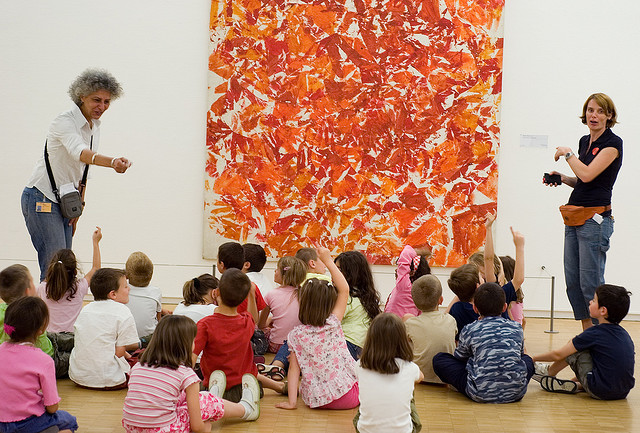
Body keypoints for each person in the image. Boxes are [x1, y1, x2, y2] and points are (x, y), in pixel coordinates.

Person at [21, 68, 131, 282]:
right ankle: (48, 315)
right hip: (41, 197)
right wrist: (112, 162)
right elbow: (81, 153)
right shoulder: (64, 122)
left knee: (66, 267)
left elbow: (83, 173)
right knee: (54, 269)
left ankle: (56, 314)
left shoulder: (93, 127)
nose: (102, 107)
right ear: (82, 96)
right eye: (96, 100)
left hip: (65, 201)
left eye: (107, 102)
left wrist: (79, 207)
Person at [544, 93, 622, 330]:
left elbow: (588, 174)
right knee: (574, 283)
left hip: (595, 221)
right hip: (575, 216)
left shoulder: (612, 143)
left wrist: (568, 155)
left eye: (600, 111)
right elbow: (583, 181)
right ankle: (589, 335)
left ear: (609, 115)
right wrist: (564, 178)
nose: (594, 115)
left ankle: (603, 337)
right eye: (590, 110)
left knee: (591, 284)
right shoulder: (584, 141)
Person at [121, 315, 260, 433]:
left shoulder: (138, 366)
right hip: (164, 429)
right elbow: (198, 427)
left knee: (180, 396)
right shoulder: (185, 373)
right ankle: (246, 409)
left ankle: (215, 398)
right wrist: (206, 427)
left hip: (132, 429)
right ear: (184, 345)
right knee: (205, 400)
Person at [276, 247, 359, 410]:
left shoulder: (296, 335)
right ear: (331, 302)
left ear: (302, 303)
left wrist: (292, 403)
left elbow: (293, 370)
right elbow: (344, 289)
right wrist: (328, 261)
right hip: (349, 397)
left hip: (316, 400)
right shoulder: (333, 323)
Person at [193, 268, 285, 402]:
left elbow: (191, 357)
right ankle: (278, 386)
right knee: (249, 372)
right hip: (247, 391)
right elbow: (254, 318)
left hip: (215, 390)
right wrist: (252, 294)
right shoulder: (246, 322)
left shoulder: (204, 325)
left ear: (216, 293)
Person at [433, 283, 534, 403]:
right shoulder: (517, 328)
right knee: (528, 360)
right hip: (516, 393)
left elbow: (459, 357)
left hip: (479, 392)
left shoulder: (470, 329)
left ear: (475, 308)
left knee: (439, 359)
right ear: (504, 307)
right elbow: (520, 355)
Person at [532, 284, 634, 399]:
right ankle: (577, 385)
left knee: (576, 347)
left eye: (594, 300)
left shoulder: (594, 333)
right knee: (591, 350)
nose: (590, 302)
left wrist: (533, 358)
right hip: (623, 391)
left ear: (603, 310)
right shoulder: (624, 334)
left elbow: (558, 354)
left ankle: (548, 372)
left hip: (599, 391)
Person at [0, 297, 78, 433]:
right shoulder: (44, 360)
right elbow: (52, 407)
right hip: (28, 422)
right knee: (69, 420)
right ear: (41, 330)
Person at [68, 268, 140, 389]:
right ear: (113, 294)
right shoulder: (123, 311)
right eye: (126, 287)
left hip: (78, 377)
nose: (129, 289)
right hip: (111, 380)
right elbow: (120, 352)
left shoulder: (86, 310)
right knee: (142, 359)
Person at [355, 313, 423, 433]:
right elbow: (420, 378)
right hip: (403, 431)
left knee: (364, 402)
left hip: (365, 430)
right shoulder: (410, 367)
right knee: (410, 390)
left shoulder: (360, 365)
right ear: (402, 340)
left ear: (371, 339)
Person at [256, 256, 306, 381]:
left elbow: (261, 324)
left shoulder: (271, 294)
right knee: (291, 348)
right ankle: (289, 367)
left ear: (283, 273)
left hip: (275, 345)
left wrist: (270, 322)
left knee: (262, 332)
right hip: (299, 345)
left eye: (276, 269)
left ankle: (277, 367)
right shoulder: (305, 294)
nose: (274, 272)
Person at [404, 275, 456, 384]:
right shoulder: (451, 321)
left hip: (419, 377)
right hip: (445, 378)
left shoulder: (411, 323)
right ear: (440, 300)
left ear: (415, 304)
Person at [335, 250, 381, 360]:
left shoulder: (346, 297)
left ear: (352, 273)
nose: (334, 273)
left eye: (339, 270)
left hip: (347, 345)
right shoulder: (366, 295)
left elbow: (331, 322)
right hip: (360, 347)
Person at [0, 264, 53, 356]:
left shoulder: (1, 311)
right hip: (37, 360)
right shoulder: (32, 315)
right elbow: (47, 351)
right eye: (32, 281)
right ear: (27, 291)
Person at [124, 251, 164, 339]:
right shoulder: (156, 292)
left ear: (127, 275)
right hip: (148, 341)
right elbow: (158, 318)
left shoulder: (122, 291)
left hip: (126, 340)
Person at [385, 244, 432, 318]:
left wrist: (416, 252)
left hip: (394, 327)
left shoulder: (405, 286)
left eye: (399, 268)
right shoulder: (421, 293)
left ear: (412, 272)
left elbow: (406, 253)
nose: (396, 270)